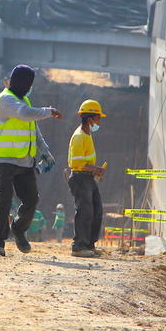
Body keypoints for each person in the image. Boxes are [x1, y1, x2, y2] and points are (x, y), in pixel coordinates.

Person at [0, 65, 61, 257]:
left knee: (31, 199)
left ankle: (18, 229)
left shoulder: (24, 100)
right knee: (3, 200)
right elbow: (24, 114)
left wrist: (44, 150)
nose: (29, 88)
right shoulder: (5, 100)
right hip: (4, 160)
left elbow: (32, 130)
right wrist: (48, 111)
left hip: (25, 161)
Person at [67, 99, 106, 258]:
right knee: (85, 212)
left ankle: (89, 244)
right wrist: (95, 169)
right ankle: (79, 246)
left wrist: (94, 172)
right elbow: (77, 163)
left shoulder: (87, 134)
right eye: (98, 118)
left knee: (96, 210)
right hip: (80, 178)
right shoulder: (79, 136)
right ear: (90, 119)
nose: (99, 122)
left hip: (88, 178)